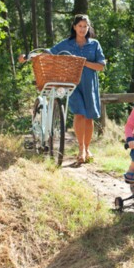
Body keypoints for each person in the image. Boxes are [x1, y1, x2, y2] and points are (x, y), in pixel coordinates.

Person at [49, 14, 106, 164]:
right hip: (72, 84)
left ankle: (87, 148)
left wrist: (84, 63)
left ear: (88, 28)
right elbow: (50, 53)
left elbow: (101, 66)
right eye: (79, 26)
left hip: (90, 85)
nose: (82, 29)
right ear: (74, 27)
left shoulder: (94, 44)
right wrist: (30, 55)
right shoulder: (66, 44)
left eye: (85, 26)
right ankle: (81, 149)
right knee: (79, 114)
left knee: (89, 117)